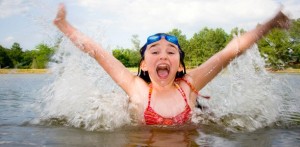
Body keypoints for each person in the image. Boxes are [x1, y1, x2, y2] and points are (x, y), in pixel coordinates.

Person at [53, 3, 290, 125]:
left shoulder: (190, 83)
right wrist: (64, 26)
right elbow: (97, 52)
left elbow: (230, 52)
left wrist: (269, 24)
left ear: (179, 65)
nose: (163, 56)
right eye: (154, 51)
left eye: (171, 52)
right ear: (144, 65)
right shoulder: (136, 88)